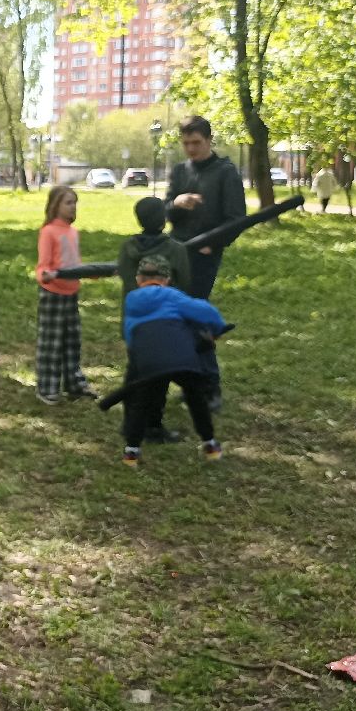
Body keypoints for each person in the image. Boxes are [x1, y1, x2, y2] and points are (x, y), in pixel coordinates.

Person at [164, 115, 245, 411]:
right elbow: (166, 212)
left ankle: (210, 387)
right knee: (176, 319)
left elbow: (237, 219)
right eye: (186, 143)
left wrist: (215, 243)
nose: (191, 149)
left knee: (195, 317)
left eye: (196, 143)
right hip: (177, 253)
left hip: (204, 257)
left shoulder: (225, 173)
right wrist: (177, 203)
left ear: (209, 140)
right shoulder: (179, 171)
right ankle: (192, 381)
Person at [119, 255, 227, 467]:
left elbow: (130, 330)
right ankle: (210, 445)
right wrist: (218, 329)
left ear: (138, 279)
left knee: (141, 403)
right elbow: (205, 311)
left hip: (148, 359)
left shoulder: (132, 299)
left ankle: (131, 452)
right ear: (166, 279)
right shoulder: (172, 296)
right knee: (196, 399)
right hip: (180, 356)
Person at [116, 196, 192, 443]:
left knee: (135, 371)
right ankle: (152, 426)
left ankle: (130, 422)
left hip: (135, 321)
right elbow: (184, 283)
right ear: (164, 218)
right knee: (159, 377)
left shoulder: (127, 249)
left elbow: (127, 280)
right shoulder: (176, 250)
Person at [34, 185, 97, 405]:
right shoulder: (49, 231)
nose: (72, 207)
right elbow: (43, 265)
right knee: (52, 342)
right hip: (53, 294)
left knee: (72, 340)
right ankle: (47, 387)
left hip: (71, 293)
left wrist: (90, 273)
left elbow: (73, 263)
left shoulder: (72, 232)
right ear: (55, 205)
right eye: (68, 203)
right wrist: (46, 276)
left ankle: (74, 383)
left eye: (74, 203)